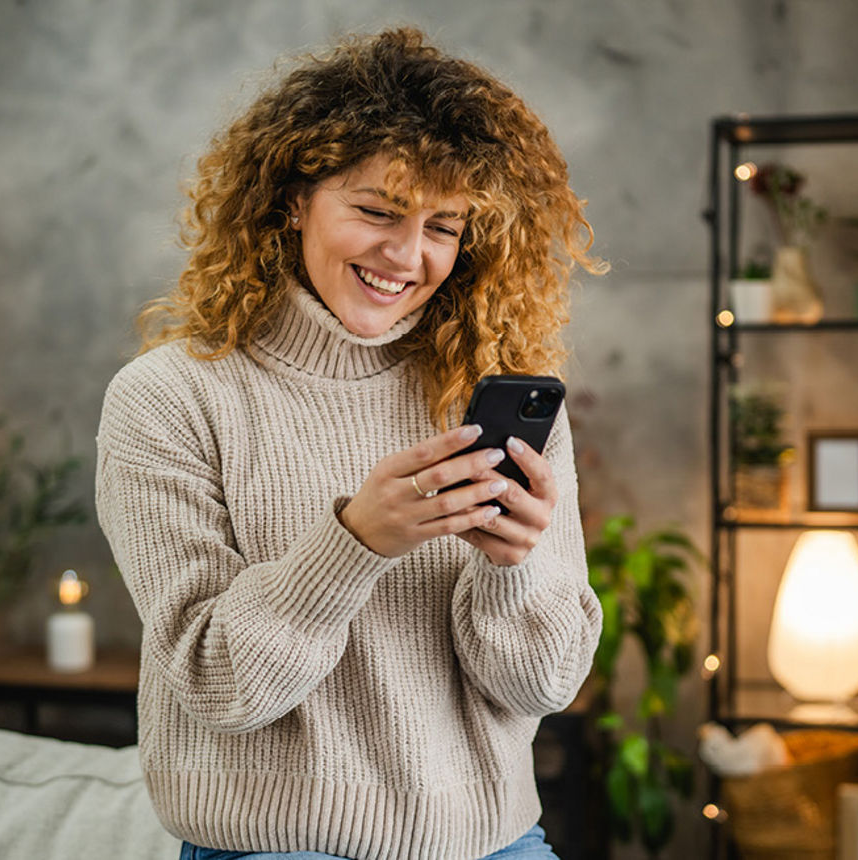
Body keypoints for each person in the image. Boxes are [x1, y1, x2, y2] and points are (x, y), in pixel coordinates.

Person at [94, 27, 605, 860]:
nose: (407, 256)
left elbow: (543, 686)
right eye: (376, 211)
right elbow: (217, 682)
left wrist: (512, 569)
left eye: (443, 226)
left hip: (492, 842)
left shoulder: (492, 397)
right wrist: (356, 541)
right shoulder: (168, 399)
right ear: (294, 199)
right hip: (278, 845)